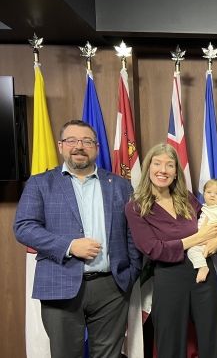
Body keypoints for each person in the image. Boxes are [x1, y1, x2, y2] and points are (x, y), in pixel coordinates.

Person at [14, 119, 142, 358]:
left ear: (97, 148)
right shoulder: (41, 183)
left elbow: (132, 232)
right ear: (61, 146)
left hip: (111, 287)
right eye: (72, 140)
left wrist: (131, 271)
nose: (79, 146)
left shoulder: (121, 186)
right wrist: (70, 246)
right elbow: (24, 227)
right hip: (59, 284)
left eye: (87, 141)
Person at [124, 143, 217, 358]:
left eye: (170, 165)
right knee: (170, 344)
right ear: (148, 167)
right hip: (169, 278)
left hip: (202, 274)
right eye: (157, 163)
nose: (163, 170)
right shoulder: (136, 206)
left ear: (176, 171)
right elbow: (153, 249)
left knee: (211, 340)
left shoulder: (186, 198)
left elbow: (210, 222)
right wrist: (197, 238)